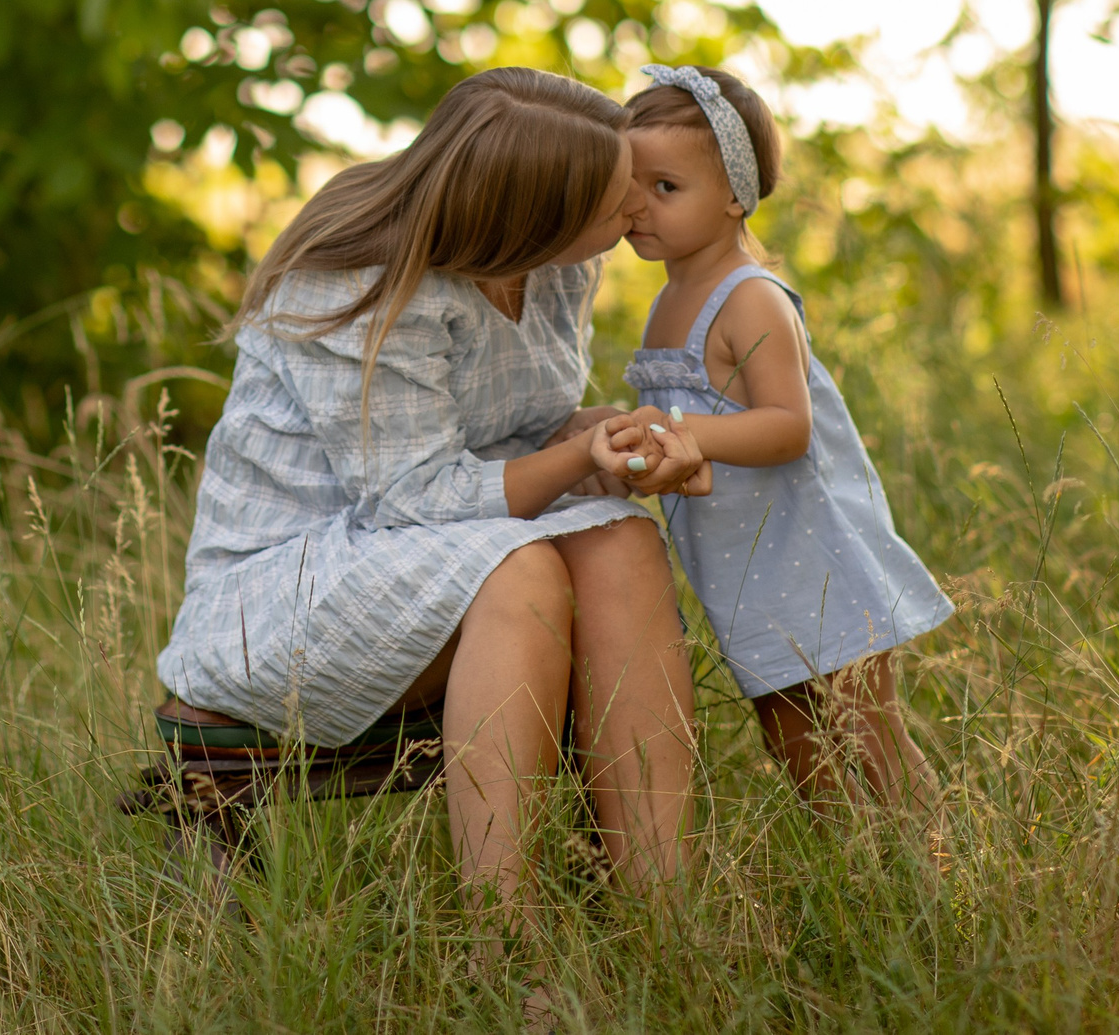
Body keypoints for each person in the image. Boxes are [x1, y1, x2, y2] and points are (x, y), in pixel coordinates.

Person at [153, 67, 710, 913]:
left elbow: (512, 431)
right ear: (532, 216)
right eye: (613, 201)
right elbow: (414, 496)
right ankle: (505, 940)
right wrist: (574, 457)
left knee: (622, 540)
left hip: (439, 545)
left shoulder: (559, 265)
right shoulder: (366, 279)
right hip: (287, 590)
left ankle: (665, 910)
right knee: (522, 572)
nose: (636, 205)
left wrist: (603, 437)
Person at [596, 62, 955, 816]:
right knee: (792, 736)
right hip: (743, 570)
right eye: (629, 185)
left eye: (665, 186)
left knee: (866, 731)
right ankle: (853, 862)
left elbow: (787, 427)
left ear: (734, 194)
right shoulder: (668, 299)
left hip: (811, 556)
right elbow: (690, 429)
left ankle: (938, 862)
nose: (637, 206)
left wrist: (679, 431)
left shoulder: (750, 297)